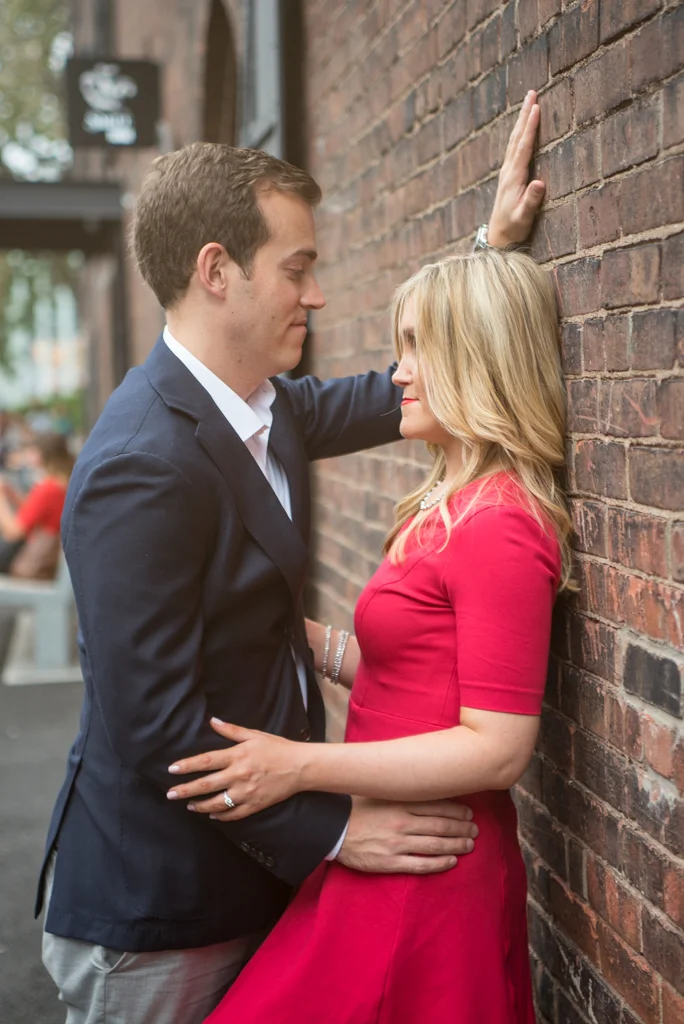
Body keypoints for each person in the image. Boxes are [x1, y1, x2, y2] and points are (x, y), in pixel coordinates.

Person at [38, 91, 545, 1024]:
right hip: (163, 911)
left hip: (260, 883)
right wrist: (337, 828)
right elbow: (157, 728)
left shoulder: (268, 411)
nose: (315, 295)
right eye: (297, 269)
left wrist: (489, 251)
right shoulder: (140, 463)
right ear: (217, 271)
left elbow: (426, 383)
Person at [167, 248, 572, 1024]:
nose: (399, 373)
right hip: (386, 843)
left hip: (427, 865)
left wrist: (296, 767)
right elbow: (413, 678)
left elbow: (498, 748)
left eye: (419, 347)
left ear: (479, 358)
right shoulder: (451, 502)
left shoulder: (499, 525)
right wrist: (284, 632)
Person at [0, 432, 74, 578]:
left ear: (40, 455)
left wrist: (1, 499)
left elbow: (14, 532)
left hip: (31, 568)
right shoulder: (63, 483)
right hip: (49, 562)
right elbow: (34, 512)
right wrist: (12, 495)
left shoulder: (48, 489)